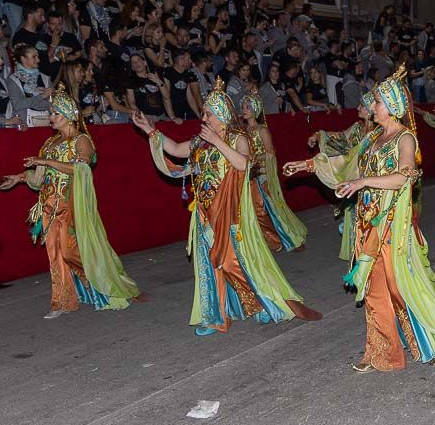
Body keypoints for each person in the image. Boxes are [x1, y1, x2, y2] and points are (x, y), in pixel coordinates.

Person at [285, 66, 435, 372]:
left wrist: (363, 182)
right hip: (367, 220)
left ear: (392, 107)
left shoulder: (405, 139)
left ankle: (433, 334)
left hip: (390, 223)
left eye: (377, 102)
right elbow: (346, 160)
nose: (372, 107)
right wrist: (308, 165)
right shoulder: (373, 136)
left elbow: (403, 177)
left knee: (398, 286)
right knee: (374, 288)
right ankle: (381, 354)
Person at [135, 80, 322, 333]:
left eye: (208, 114)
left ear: (222, 115)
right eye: (203, 113)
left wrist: (217, 140)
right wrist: (150, 131)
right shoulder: (200, 142)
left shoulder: (238, 139)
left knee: (232, 261)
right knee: (210, 263)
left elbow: (244, 165)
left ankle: (261, 303)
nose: (204, 117)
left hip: (231, 213)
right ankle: (215, 314)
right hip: (204, 212)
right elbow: (177, 150)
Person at [0, 85, 139, 318]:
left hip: (71, 205)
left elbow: (81, 168)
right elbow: (40, 179)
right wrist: (20, 178)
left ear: (70, 115)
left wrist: (47, 162)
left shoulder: (81, 140)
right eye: (51, 113)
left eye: (56, 113)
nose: (51, 117)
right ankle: (63, 302)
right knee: (55, 254)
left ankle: (103, 285)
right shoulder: (50, 144)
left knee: (69, 251)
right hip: (49, 205)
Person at [310, 92, 377, 261]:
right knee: (356, 219)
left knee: (372, 222)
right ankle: (360, 257)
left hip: (373, 185)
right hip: (354, 183)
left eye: (362, 105)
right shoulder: (357, 128)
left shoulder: (379, 133)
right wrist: (319, 135)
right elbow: (340, 139)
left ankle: (373, 257)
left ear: (370, 110)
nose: (357, 108)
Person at [242, 92, 308, 252]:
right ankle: (267, 241)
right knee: (253, 210)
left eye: (248, 107)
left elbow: (270, 153)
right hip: (248, 175)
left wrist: (252, 158)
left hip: (262, 175)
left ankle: (291, 239)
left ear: (255, 110)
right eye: (243, 107)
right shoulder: (242, 131)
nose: (244, 109)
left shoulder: (261, 130)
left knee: (271, 208)